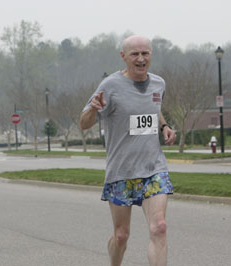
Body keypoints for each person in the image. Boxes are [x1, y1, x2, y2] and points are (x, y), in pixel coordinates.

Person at [80, 35, 176, 266]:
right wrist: (93, 110)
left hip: (154, 168)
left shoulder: (158, 84)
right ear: (123, 56)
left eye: (145, 53)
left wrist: (164, 126)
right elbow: (83, 123)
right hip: (121, 171)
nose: (141, 59)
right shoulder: (110, 86)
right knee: (121, 235)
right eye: (135, 54)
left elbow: (154, 108)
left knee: (159, 227)